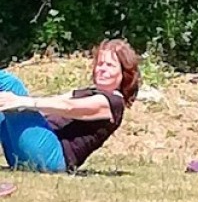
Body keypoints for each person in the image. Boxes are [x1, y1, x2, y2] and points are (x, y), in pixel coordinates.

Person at [0, 39, 140, 172]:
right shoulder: (87, 92)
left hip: (52, 159)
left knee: (9, 83)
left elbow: (69, 107)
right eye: (100, 64)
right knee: (5, 103)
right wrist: (20, 106)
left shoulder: (113, 103)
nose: (102, 69)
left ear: (123, 73)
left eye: (110, 65)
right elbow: (51, 102)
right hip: (22, 153)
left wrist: (23, 101)